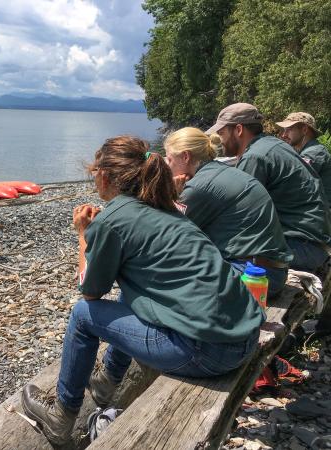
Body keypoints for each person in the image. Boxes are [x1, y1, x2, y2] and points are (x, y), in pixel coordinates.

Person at [21, 136, 264, 445]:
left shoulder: (113, 219)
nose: (94, 176)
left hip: (209, 353)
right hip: (244, 338)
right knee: (134, 290)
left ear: (106, 176)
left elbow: (90, 292)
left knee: (82, 316)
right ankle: (107, 383)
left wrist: (84, 235)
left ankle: (61, 416)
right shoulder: (168, 208)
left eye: (94, 170)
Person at [164, 127, 292, 297]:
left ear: (185, 156)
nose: (167, 167)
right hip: (270, 271)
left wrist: (171, 196)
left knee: (158, 276)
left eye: (170, 160)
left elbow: (166, 237)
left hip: (252, 275)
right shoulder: (220, 171)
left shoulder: (198, 187)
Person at [206, 103, 331, 272]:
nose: (220, 140)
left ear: (239, 130)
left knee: (210, 254)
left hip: (300, 247)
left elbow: (237, 214)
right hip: (313, 244)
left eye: (221, 133)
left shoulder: (254, 157)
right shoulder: (273, 145)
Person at [276, 112, 331, 202]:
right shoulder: (305, 151)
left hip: (320, 212)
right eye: (284, 130)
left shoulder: (314, 153)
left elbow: (292, 183)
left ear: (304, 130)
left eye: (289, 130)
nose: (284, 135)